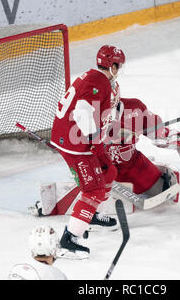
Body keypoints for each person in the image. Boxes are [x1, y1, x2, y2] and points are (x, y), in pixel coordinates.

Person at [50, 45, 125, 259]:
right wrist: (94, 141)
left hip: (82, 139)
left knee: (108, 172)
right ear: (112, 66)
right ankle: (69, 240)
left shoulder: (100, 79)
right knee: (93, 189)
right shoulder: (98, 82)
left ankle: (90, 215)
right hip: (75, 144)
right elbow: (82, 112)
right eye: (118, 66)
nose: (119, 70)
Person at [104, 97, 180, 195]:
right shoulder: (87, 115)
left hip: (133, 165)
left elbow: (155, 129)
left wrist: (173, 137)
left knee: (161, 190)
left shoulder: (134, 108)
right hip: (99, 172)